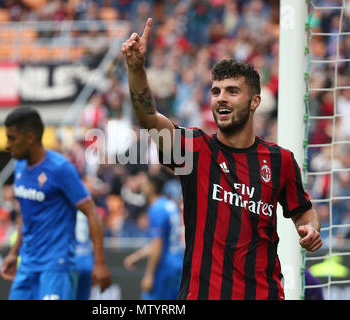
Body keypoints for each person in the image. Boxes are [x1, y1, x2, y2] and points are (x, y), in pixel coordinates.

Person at [122, 18, 322, 300]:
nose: (220, 98)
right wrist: (136, 69)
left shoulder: (280, 161)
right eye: (216, 91)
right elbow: (148, 118)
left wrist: (311, 227)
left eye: (232, 91)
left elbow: (303, 209)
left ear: (255, 102)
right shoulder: (193, 149)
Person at [0, 107, 111, 300]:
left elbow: (92, 213)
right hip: (27, 265)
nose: (7, 145)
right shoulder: (19, 168)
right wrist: (14, 253)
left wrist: (99, 263)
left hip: (57, 267)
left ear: (30, 137)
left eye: (12, 138)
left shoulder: (60, 169)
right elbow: (26, 216)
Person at [123, 172, 184, 300]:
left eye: (144, 183)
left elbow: (157, 245)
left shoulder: (157, 209)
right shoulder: (171, 205)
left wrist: (149, 275)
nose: (142, 186)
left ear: (152, 187)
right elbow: (164, 241)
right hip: (177, 264)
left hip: (164, 268)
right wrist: (137, 256)